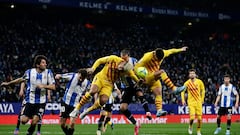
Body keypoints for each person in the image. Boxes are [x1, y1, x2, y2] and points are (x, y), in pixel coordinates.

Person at [70, 55, 141, 121]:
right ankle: (77, 109)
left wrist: (139, 81)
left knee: (103, 101)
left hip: (109, 84)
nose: (120, 70)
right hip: (101, 78)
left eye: (122, 71)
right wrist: (93, 68)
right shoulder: (113, 58)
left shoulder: (127, 70)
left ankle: (87, 111)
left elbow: (134, 77)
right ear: (122, 62)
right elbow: (100, 60)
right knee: (93, 91)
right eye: (121, 68)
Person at [1, 55, 56, 135]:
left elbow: (53, 87)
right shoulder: (29, 72)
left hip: (41, 102)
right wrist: (8, 83)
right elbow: (20, 79)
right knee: (23, 121)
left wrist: (44, 86)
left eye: (45, 63)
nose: (45, 64)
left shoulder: (48, 72)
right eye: (43, 63)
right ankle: (28, 119)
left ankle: (29, 132)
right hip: (30, 101)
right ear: (38, 65)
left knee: (35, 121)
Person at [134, 47, 187, 117]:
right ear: (154, 54)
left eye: (160, 60)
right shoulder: (147, 57)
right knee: (162, 72)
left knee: (158, 93)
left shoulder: (163, 53)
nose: (158, 61)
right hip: (146, 77)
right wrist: (139, 79)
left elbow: (171, 51)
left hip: (154, 77)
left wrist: (180, 49)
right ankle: (174, 89)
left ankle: (159, 110)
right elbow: (136, 67)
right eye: (157, 59)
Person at [120, 49, 152, 135]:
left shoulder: (134, 61)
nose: (123, 60)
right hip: (126, 87)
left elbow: (141, 70)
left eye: (125, 58)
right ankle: (136, 123)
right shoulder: (119, 63)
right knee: (122, 108)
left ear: (128, 56)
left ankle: (148, 112)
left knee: (139, 94)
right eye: (122, 58)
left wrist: (142, 79)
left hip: (136, 83)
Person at [55, 69, 90, 135]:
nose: (81, 80)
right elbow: (60, 76)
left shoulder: (87, 83)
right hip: (65, 103)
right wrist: (58, 76)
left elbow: (89, 94)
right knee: (62, 124)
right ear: (78, 74)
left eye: (82, 79)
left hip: (76, 105)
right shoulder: (72, 76)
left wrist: (86, 98)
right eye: (80, 77)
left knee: (72, 123)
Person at [181, 69, 205, 135]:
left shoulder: (200, 82)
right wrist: (183, 100)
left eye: (193, 73)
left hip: (199, 103)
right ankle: (190, 127)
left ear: (195, 74)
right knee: (192, 118)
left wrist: (202, 99)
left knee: (199, 118)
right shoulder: (187, 83)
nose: (192, 74)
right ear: (189, 75)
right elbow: (182, 91)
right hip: (191, 103)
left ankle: (198, 131)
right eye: (190, 73)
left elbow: (203, 91)